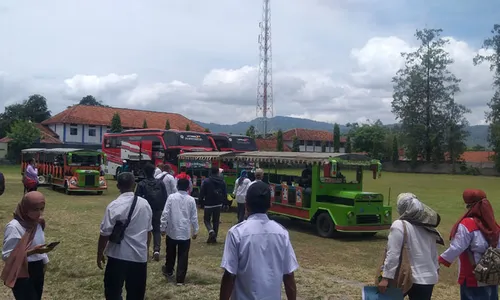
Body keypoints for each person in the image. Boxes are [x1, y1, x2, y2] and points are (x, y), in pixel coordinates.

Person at [219, 181, 299, 300]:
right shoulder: (281, 233)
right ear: (270, 204)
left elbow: (229, 275)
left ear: (246, 204)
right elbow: (288, 276)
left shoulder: (237, 233)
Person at [97, 172, 153, 300]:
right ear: (134, 185)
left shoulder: (114, 206)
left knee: (113, 292)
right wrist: (145, 251)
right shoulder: (145, 204)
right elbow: (148, 232)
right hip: (138, 257)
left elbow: (104, 233)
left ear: (118, 186)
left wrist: (99, 254)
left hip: (117, 255)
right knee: (136, 294)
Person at [378, 193, 443, 300]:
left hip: (406, 277)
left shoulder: (399, 225)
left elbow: (393, 254)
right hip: (427, 279)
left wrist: (386, 277)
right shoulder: (428, 226)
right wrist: (435, 269)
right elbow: (433, 252)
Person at [439, 189, 500, 300]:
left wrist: (441, 259)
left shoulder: (467, 224)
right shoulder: (494, 225)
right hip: (492, 274)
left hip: (472, 276)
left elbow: (457, 246)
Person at [1, 191, 54, 300]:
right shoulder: (14, 227)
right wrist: (33, 252)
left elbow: (39, 244)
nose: (39, 213)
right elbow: (7, 256)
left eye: (42, 209)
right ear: (25, 208)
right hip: (21, 270)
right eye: (35, 209)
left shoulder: (38, 223)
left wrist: (44, 262)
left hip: (37, 268)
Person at [160, 178, 199, 286]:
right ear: (188, 188)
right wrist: (195, 230)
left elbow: (165, 213)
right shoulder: (191, 200)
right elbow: (194, 217)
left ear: (177, 186)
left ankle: (168, 270)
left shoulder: (171, 198)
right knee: (183, 256)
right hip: (185, 232)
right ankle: (180, 279)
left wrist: (163, 227)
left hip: (172, 231)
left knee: (170, 253)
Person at [136, 163, 168, 261]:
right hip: (158, 209)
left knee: (145, 230)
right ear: (154, 172)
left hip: (145, 210)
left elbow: (137, 199)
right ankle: (156, 250)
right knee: (157, 230)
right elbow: (165, 197)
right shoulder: (160, 183)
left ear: (144, 172)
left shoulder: (141, 184)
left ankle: (144, 250)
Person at [199, 167, 227, 244]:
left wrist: (200, 202)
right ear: (218, 172)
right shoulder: (222, 181)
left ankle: (211, 231)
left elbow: (202, 192)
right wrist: (225, 202)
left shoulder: (206, 181)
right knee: (216, 221)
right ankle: (214, 238)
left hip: (208, 203)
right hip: (218, 203)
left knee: (206, 220)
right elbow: (225, 193)